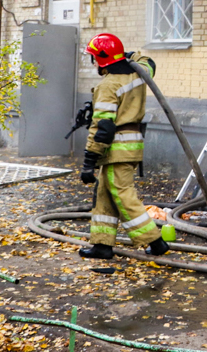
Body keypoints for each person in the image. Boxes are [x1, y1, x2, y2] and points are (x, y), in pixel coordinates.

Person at [78, 32, 169, 260]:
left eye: (94, 58)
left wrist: (89, 161)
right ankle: (102, 244)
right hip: (130, 147)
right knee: (105, 195)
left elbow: (103, 128)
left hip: (115, 149)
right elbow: (149, 62)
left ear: (100, 59)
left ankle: (155, 241)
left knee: (122, 195)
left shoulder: (109, 85)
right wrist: (130, 56)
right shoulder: (139, 75)